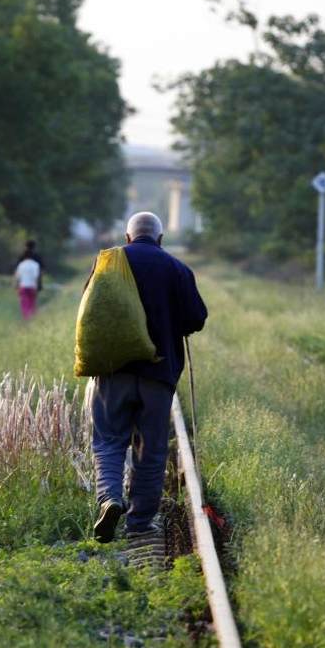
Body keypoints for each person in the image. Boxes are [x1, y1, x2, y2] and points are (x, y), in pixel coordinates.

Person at [88, 211, 208, 558]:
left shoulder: (109, 263)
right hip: (158, 374)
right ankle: (140, 521)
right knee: (152, 448)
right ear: (159, 239)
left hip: (114, 372)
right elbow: (196, 319)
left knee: (110, 440)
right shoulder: (175, 268)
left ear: (127, 238)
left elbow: (89, 312)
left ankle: (110, 498)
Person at [14, 250, 40, 320]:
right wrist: (36, 287)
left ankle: (26, 319)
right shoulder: (35, 264)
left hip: (23, 286)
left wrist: (16, 287)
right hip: (32, 286)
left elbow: (17, 277)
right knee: (32, 304)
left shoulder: (21, 265)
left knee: (24, 304)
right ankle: (32, 319)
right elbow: (36, 277)